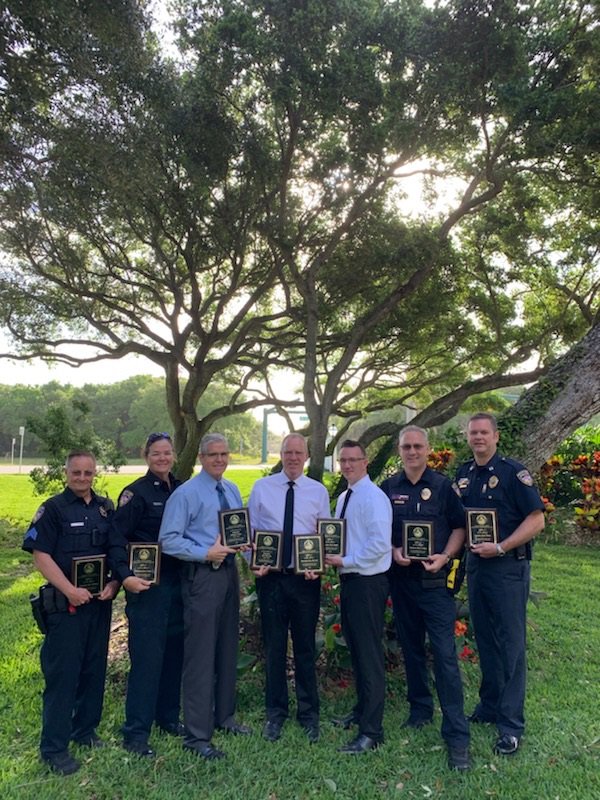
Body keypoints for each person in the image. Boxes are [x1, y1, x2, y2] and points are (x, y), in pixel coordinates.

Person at [380, 426, 471, 771]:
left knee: (445, 656)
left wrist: (446, 556)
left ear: (428, 449)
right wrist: (394, 550)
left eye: (418, 446)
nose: (412, 451)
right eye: (407, 446)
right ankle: (420, 710)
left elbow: (460, 527)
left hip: (435, 586)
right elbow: (378, 529)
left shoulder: (444, 487)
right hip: (402, 582)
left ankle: (457, 735)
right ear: (399, 450)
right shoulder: (388, 488)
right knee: (411, 649)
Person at [22, 450, 119, 776]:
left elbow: (116, 551)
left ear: (94, 473)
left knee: (94, 671)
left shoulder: (106, 508)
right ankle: (54, 748)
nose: (82, 478)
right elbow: (41, 555)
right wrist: (69, 589)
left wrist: (114, 583)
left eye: (87, 472)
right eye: (76, 472)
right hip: (67, 607)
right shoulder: (53, 509)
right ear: (66, 473)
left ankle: (85, 731)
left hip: (99, 604)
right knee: (63, 677)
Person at [456, 412, 545, 756]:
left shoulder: (513, 473)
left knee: (511, 645)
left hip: (508, 567)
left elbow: (536, 520)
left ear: (496, 436)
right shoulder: (464, 474)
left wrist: (501, 546)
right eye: (473, 433)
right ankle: (489, 705)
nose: (478, 437)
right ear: (468, 437)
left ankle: (510, 726)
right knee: (485, 638)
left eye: (484, 432)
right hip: (477, 567)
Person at [158, 433, 251, 760]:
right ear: (201, 457)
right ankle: (197, 735)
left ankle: (224, 716)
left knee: (227, 646)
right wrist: (204, 553)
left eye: (224, 454)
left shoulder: (231, 489)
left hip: (228, 573)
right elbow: (168, 540)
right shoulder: (186, 494)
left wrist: (248, 550)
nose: (219, 460)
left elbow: (237, 531)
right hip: (202, 577)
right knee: (200, 655)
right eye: (213, 455)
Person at [247, 433, 330, 743]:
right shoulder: (262, 488)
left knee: (306, 646)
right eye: (288, 452)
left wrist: (319, 563)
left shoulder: (318, 491)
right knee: (274, 646)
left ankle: (309, 713)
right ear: (280, 455)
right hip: (270, 578)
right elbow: (249, 532)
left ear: (307, 456)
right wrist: (252, 562)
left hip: (304, 580)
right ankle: (275, 713)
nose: (293, 457)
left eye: (298, 453)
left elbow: (325, 534)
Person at [109, 432, 184, 757]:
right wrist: (124, 576)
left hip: (179, 584)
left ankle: (167, 718)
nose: (162, 458)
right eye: (156, 453)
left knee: (174, 655)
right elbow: (115, 539)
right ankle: (136, 733)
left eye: (167, 452)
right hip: (147, 587)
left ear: (174, 455)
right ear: (147, 456)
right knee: (147, 659)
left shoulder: (182, 489)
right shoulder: (135, 493)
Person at [326, 440, 391, 754]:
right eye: (343, 460)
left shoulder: (373, 497)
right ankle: (361, 710)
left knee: (368, 654)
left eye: (354, 460)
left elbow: (379, 544)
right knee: (355, 648)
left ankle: (372, 731)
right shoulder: (344, 497)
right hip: (350, 581)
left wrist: (346, 560)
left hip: (368, 582)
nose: (348, 465)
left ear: (366, 462)